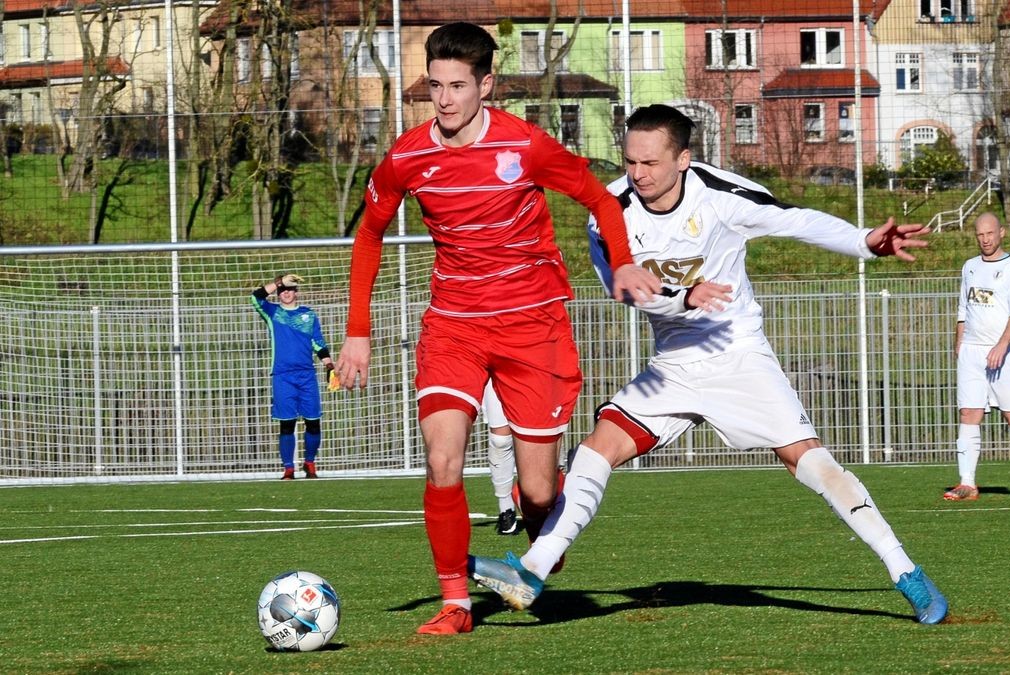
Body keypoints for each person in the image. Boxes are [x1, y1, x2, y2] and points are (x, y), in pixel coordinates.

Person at [469, 103, 949, 625]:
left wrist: (863, 242)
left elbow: (794, 219)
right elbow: (621, 287)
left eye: (650, 163)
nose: (637, 174)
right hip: (673, 364)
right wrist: (684, 297)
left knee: (809, 461)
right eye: (630, 161)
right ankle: (533, 570)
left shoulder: (720, 194)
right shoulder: (608, 209)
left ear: (683, 160)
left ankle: (906, 573)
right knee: (598, 448)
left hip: (737, 353)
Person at [333, 22, 661, 635]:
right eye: (436, 85)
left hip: (532, 325)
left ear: (486, 85)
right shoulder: (407, 156)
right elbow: (369, 233)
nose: (445, 99)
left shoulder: (527, 146)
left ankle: (545, 533)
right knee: (443, 458)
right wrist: (359, 329)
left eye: (458, 85)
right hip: (453, 325)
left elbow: (599, 198)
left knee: (537, 493)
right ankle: (456, 602)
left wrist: (621, 261)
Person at [944, 212, 1010, 501]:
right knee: (969, 413)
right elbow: (962, 310)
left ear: (1001, 233)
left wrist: (1002, 346)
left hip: (1004, 353)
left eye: (990, 234)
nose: (985, 240)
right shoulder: (969, 267)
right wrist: (959, 343)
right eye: (980, 235)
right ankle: (967, 483)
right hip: (972, 351)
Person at [251, 273, 337, 480]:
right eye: (282, 290)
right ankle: (288, 468)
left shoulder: (309, 314)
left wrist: (329, 366)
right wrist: (279, 281)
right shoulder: (273, 312)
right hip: (282, 376)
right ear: (278, 294)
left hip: (306, 375)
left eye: (289, 289)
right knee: (287, 423)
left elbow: (318, 342)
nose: (286, 293)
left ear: (296, 292)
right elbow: (255, 297)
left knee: (313, 421)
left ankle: (310, 463)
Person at [482, 380, 520, 536]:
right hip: (494, 363)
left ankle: (550, 498)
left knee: (539, 435)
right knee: (500, 440)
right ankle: (506, 510)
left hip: (534, 365)